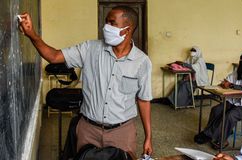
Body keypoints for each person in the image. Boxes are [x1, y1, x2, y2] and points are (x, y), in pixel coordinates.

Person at [19, 6, 153, 156]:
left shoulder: (142, 62)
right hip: (88, 130)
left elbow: (143, 100)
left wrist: (148, 136)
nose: (106, 27)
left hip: (122, 133)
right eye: (106, 22)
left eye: (112, 23)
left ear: (127, 29)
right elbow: (54, 56)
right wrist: (32, 34)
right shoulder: (90, 49)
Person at [194, 52, 242, 149]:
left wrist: (231, 85)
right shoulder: (238, 71)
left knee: (231, 115)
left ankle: (222, 140)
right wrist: (224, 83)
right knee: (216, 110)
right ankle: (208, 133)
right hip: (237, 100)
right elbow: (228, 80)